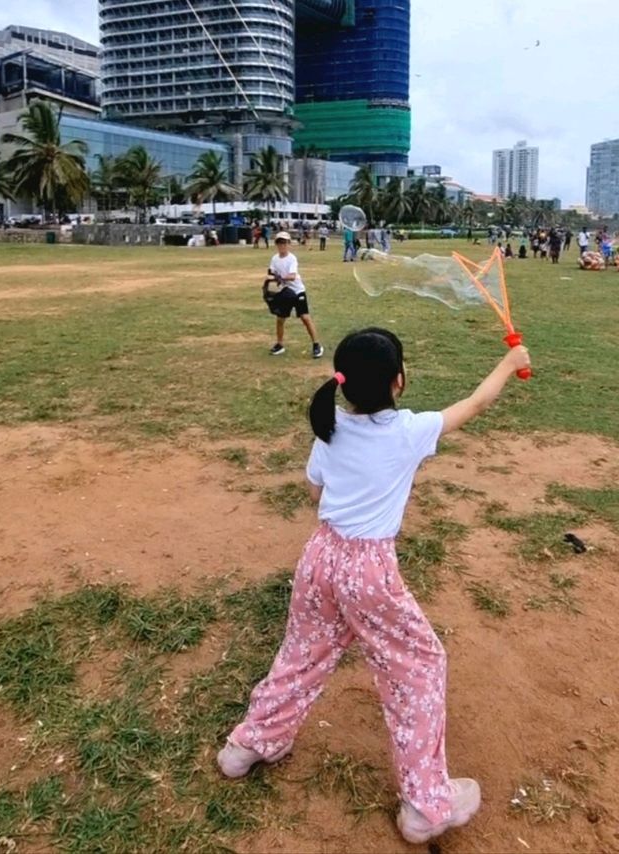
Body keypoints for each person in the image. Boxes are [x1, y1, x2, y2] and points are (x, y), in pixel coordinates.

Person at [217, 328, 531, 845]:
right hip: (368, 570)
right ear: (399, 382)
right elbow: (473, 404)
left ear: (342, 386)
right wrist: (509, 362)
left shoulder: (330, 426)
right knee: (420, 665)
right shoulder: (408, 431)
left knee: (303, 653)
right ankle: (426, 805)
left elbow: (315, 486)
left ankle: (247, 746)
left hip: (320, 557)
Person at [266, 232, 324, 359]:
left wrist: (279, 277)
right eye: (280, 242)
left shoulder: (291, 258)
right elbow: (271, 273)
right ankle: (280, 344)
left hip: (297, 291)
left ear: (289, 244)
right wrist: (270, 282)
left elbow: (292, 276)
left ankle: (316, 345)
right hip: (285, 293)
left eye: (285, 242)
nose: (282, 245)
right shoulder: (275, 259)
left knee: (305, 317)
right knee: (280, 319)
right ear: (276, 244)